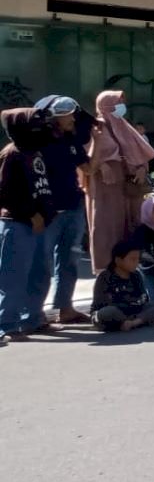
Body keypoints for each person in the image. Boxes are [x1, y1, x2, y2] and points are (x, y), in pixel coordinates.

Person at [33, 96, 92, 325]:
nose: (72, 118)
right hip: (48, 209)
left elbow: (88, 167)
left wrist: (102, 142)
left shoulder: (71, 139)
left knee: (70, 259)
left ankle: (65, 308)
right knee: (41, 261)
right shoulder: (38, 142)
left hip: (73, 205)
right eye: (67, 114)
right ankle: (33, 313)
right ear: (52, 117)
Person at [0, 108, 56, 341]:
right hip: (19, 223)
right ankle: (7, 323)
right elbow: (5, 191)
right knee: (14, 276)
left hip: (41, 223)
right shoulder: (11, 154)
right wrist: (31, 213)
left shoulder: (35, 151)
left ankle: (32, 318)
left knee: (40, 273)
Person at [85, 90, 154, 272]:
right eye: (117, 103)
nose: (121, 107)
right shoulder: (94, 127)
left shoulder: (124, 126)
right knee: (107, 225)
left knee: (131, 223)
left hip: (129, 185)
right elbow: (85, 156)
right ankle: (105, 268)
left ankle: (132, 266)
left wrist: (141, 168)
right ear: (106, 105)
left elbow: (141, 153)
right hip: (106, 186)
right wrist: (100, 164)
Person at [90, 240, 154, 333]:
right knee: (107, 312)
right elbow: (102, 304)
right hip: (113, 312)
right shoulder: (105, 277)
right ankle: (130, 322)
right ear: (118, 260)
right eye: (132, 259)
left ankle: (133, 323)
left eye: (137, 259)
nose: (136, 262)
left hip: (134, 311)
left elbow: (143, 299)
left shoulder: (136, 275)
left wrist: (137, 307)